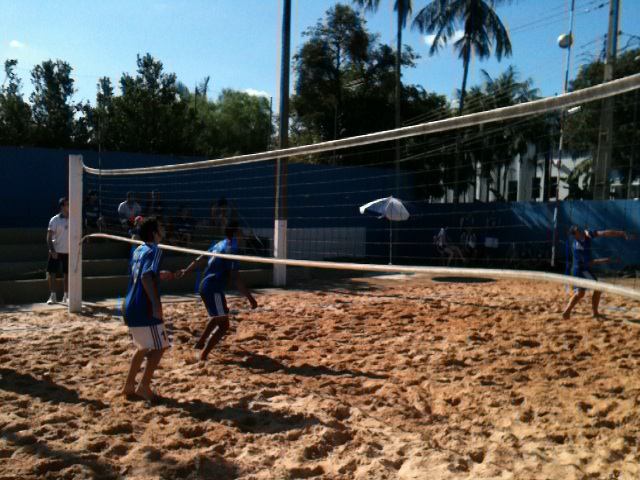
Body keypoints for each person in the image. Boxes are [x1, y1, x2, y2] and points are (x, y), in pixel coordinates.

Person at [177, 221, 258, 361]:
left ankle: (200, 343)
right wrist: (250, 298)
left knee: (217, 316)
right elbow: (236, 279)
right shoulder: (231, 250)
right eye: (240, 232)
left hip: (205, 285)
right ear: (234, 234)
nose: (243, 235)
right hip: (213, 287)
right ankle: (203, 355)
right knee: (224, 325)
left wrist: (187, 270)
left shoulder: (219, 244)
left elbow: (201, 257)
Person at [121, 216, 175, 403]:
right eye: (161, 227)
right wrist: (156, 304)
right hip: (144, 306)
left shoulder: (138, 250)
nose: (164, 230)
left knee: (143, 347)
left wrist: (159, 275)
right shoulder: (155, 250)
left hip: (130, 304)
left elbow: (140, 274)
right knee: (161, 345)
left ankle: (129, 385)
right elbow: (145, 277)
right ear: (154, 233)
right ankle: (143, 385)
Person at [562, 225, 629, 319]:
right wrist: (606, 260)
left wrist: (620, 233)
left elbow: (604, 233)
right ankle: (595, 313)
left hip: (581, 268)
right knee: (597, 288)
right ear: (575, 235)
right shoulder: (578, 247)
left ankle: (567, 312)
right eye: (578, 231)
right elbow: (590, 262)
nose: (581, 231)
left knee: (580, 293)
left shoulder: (587, 234)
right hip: (580, 270)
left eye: (580, 229)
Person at [46, 197, 70, 304]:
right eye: (67, 204)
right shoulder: (54, 220)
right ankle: (53, 296)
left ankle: (66, 296)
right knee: (52, 273)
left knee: (67, 273)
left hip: (68, 251)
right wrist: (52, 250)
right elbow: (49, 236)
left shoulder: (73, 219)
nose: (69, 206)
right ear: (62, 206)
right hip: (56, 250)